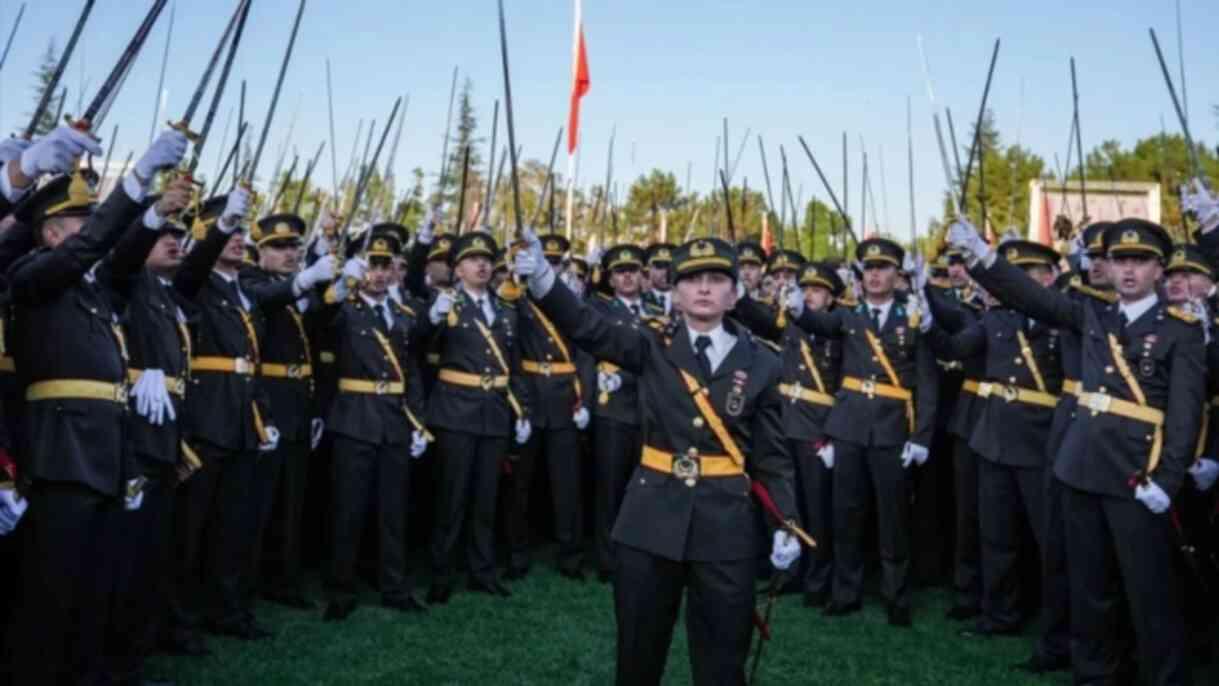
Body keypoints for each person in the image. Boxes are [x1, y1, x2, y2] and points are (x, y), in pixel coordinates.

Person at [515, 232, 801, 685]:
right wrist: (546, 282)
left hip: (726, 522)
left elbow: (772, 454)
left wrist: (786, 520)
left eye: (715, 279)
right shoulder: (650, 343)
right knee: (638, 655)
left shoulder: (763, 362)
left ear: (734, 293)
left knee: (723, 661)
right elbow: (589, 327)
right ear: (674, 292)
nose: (703, 288)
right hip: (651, 518)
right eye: (691, 280)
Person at [949, 217, 1204, 686]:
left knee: (1149, 591)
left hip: (1137, 475)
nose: (1128, 270)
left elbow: (1185, 416)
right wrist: (984, 258)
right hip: (1080, 467)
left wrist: (1168, 480)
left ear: (1159, 270)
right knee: (1089, 587)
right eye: (1119, 260)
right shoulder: (1092, 314)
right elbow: (1032, 298)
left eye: (1140, 261)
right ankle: (1093, 674)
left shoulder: (1180, 329)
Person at [5, 127, 186, 685]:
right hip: (61, 454)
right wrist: (131, 185)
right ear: (53, 234)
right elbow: (96, 245)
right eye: (82, 225)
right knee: (51, 597)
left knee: (94, 590)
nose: (94, 235)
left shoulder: (91, 291)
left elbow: (122, 257)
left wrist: (150, 210)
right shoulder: (33, 276)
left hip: (105, 451)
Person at [784, 237, 939, 627]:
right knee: (846, 514)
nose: (874, 275)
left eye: (882, 267)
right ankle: (845, 592)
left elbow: (927, 383)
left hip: (891, 429)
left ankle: (896, 595)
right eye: (867, 268)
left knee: (893, 519)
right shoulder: (849, 316)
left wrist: (920, 437)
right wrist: (798, 307)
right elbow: (818, 322)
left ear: (897, 275)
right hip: (849, 427)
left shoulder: (914, 317)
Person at [925, 240, 1064, 640]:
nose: (1018, 283)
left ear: (1049, 277)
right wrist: (929, 326)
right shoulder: (996, 320)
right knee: (995, 535)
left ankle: (1056, 627)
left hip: (1041, 440)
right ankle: (999, 614)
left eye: (1029, 274)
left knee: (1048, 540)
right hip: (994, 437)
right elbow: (954, 347)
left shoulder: (1061, 318)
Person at [171, 185, 279, 644]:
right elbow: (194, 264)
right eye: (228, 232)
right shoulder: (193, 281)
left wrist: (263, 414)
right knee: (189, 530)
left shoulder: (244, 291)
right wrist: (220, 228)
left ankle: (228, 610)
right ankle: (178, 621)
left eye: (240, 232)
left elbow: (254, 361)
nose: (238, 239)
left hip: (241, 420)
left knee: (234, 526)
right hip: (205, 418)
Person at [417, 229, 531, 603]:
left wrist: (521, 410)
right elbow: (416, 346)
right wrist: (432, 319)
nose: (482, 265)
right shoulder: (445, 304)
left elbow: (514, 367)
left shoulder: (504, 309)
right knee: (452, 497)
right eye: (471, 259)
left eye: (487, 260)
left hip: (494, 411)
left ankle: (482, 571)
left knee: (486, 497)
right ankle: (441, 573)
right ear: (457, 268)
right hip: (455, 410)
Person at [322, 226, 429, 620]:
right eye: (372, 265)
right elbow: (321, 319)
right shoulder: (344, 308)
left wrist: (417, 420)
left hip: (394, 420)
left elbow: (411, 370)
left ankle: (394, 586)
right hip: (355, 416)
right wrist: (338, 282)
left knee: (393, 510)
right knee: (348, 509)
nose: (380, 273)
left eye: (386, 265)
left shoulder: (402, 315)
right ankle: (341, 589)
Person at [240, 213, 336, 611]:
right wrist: (305, 279)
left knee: (291, 502)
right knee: (257, 503)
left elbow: (316, 342)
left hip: (298, 402)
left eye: (294, 247)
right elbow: (267, 299)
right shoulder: (250, 281)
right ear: (259, 251)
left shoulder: (301, 290)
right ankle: (246, 583)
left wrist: (335, 290)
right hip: (267, 402)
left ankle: (284, 579)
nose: (289, 253)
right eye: (278, 247)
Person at [737, 261, 844, 608]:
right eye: (806, 289)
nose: (809, 295)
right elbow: (761, 322)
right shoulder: (790, 323)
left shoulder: (840, 331)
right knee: (786, 506)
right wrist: (739, 296)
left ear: (830, 298)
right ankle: (788, 572)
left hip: (817, 427)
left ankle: (819, 579)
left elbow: (846, 386)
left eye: (817, 290)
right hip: (784, 422)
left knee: (817, 508)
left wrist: (833, 433)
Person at [505, 233, 589, 581]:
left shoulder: (569, 300)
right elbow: (506, 348)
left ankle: (570, 555)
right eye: (546, 261)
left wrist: (583, 397)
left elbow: (585, 350)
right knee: (520, 484)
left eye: (556, 262)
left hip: (564, 399)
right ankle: (516, 553)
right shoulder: (518, 297)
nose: (551, 267)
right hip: (530, 395)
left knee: (567, 485)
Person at [587, 244, 660, 582]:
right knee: (609, 489)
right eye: (620, 271)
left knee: (643, 489)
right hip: (613, 409)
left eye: (633, 270)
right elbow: (585, 351)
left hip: (647, 410)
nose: (628, 276)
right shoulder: (600, 310)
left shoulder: (656, 308)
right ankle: (607, 559)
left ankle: (637, 555)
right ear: (611, 279)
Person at [641, 242, 675, 316]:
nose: (665, 272)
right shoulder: (638, 300)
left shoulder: (686, 299)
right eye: (659, 266)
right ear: (648, 269)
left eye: (670, 267)